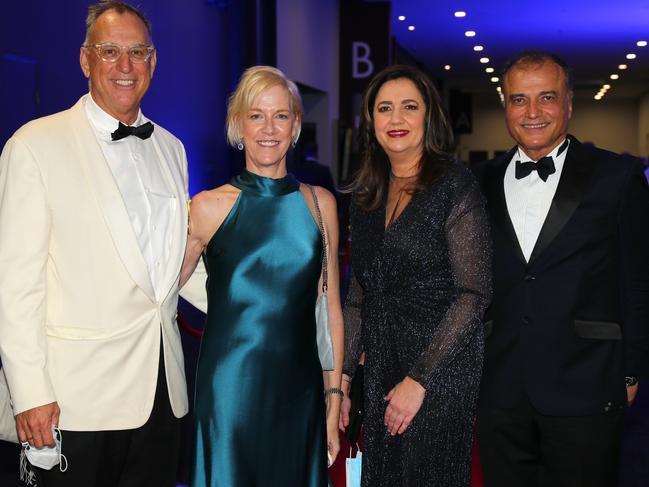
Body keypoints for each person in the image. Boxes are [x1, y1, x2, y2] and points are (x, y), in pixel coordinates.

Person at [0, 2, 206, 486]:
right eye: (109, 51)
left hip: (163, 396)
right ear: (84, 60)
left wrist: (267, 316)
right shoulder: (35, 145)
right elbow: (16, 284)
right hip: (74, 401)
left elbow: (178, 264)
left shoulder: (172, 149)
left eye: (138, 52)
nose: (125, 66)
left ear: (153, 63)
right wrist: (29, 392)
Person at [474, 50, 649, 487]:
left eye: (546, 97)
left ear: (569, 104)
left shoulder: (619, 176)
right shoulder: (476, 182)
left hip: (587, 381)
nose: (532, 112)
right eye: (519, 100)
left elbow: (640, 282)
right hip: (499, 385)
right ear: (506, 106)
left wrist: (630, 370)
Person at [179, 65, 343, 487]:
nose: (268, 128)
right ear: (238, 125)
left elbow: (330, 310)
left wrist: (333, 397)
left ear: (294, 127)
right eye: (256, 115)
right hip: (230, 392)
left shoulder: (320, 205)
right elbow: (159, 293)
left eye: (281, 115)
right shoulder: (208, 207)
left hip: (300, 390)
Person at [340, 64, 492, 486]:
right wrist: (346, 377)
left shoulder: (456, 187)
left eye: (409, 106)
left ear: (429, 115)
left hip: (439, 371)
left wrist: (419, 380)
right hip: (381, 364)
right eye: (384, 108)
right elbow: (357, 295)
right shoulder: (366, 194)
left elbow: (474, 294)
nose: (396, 119)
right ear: (371, 122)